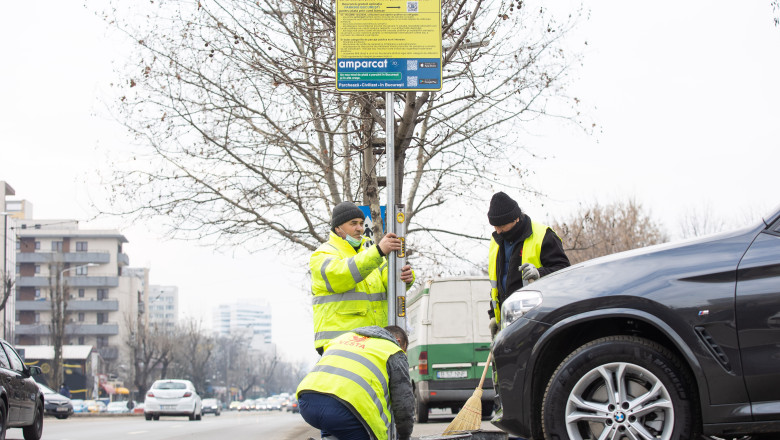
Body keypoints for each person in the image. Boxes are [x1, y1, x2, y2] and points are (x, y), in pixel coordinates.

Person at [310, 201, 415, 354]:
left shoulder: (369, 254)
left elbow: (390, 282)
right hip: (341, 344)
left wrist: (406, 278)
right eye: (353, 224)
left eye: (360, 223)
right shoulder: (322, 255)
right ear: (338, 228)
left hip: (374, 342)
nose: (359, 228)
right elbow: (343, 274)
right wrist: (378, 251)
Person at [297, 325, 414, 440]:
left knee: (334, 427)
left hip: (307, 401)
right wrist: (404, 435)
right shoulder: (393, 350)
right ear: (398, 342)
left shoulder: (344, 338)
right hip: (343, 409)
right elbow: (403, 401)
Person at [487, 192, 570, 335]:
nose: (498, 231)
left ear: (516, 218)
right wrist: (494, 316)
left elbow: (564, 271)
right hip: (508, 323)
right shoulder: (496, 242)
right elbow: (498, 284)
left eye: (502, 225)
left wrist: (539, 273)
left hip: (539, 321)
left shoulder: (543, 235)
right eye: (495, 226)